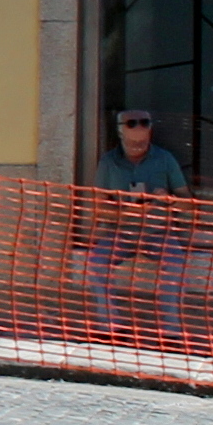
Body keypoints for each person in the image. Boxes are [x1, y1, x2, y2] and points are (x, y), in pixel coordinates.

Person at [83, 107, 191, 339]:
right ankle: (109, 326)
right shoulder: (109, 163)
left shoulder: (164, 159)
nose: (137, 147)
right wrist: (129, 214)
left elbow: (188, 205)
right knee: (96, 262)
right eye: (132, 126)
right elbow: (98, 207)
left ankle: (170, 330)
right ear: (120, 133)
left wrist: (169, 201)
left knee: (176, 264)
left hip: (158, 232)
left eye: (145, 124)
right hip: (121, 233)